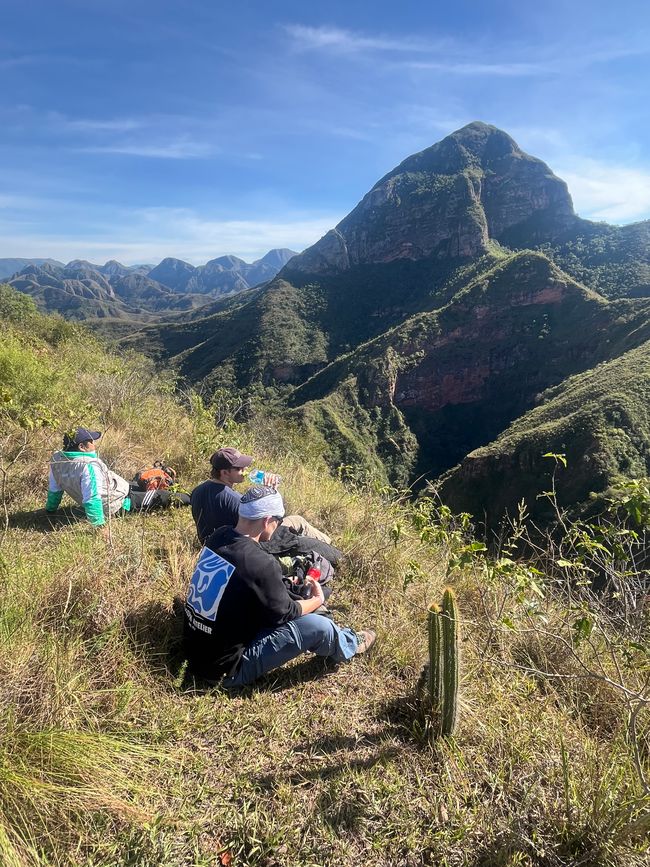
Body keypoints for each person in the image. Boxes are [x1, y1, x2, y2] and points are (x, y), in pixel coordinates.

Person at [183, 485, 375, 687]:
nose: (279, 524)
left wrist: (283, 584)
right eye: (278, 520)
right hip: (224, 670)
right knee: (318, 626)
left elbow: (244, 585)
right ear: (267, 520)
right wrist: (318, 599)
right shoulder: (260, 562)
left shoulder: (218, 536)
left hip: (193, 650)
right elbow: (287, 613)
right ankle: (350, 643)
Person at [46, 427, 189, 528]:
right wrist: (100, 527)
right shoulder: (88, 465)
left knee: (142, 480)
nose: (94, 444)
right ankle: (192, 497)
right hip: (119, 503)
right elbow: (92, 499)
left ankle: (176, 490)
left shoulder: (57, 460)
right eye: (91, 441)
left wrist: (50, 510)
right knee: (160, 496)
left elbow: (54, 490)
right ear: (82, 447)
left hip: (117, 489)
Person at [190, 447, 331, 544]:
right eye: (239, 468)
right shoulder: (235, 500)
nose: (245, 470)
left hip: (210, 546)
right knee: (298, 521)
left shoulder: (197, 491)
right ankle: (329, 545)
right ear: (224, 473)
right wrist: (271, 492)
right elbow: (266, 529)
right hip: (241, 546)